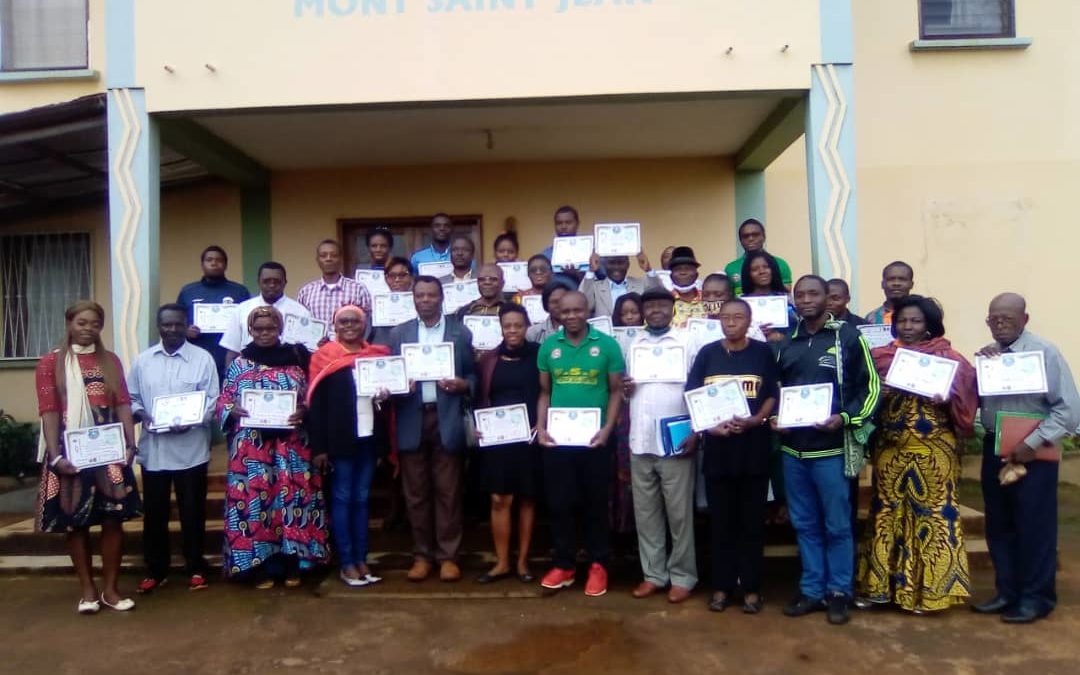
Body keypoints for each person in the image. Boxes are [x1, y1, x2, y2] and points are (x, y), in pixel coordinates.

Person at [856, 295, 977, 613]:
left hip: (935, 451)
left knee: (934, 515)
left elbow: (967, 403)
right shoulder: (880, 357)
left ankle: (931, 594)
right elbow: (864, 396)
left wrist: (948, 395)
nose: (908, 327)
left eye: (916, 321)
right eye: (903, 321)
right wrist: (877, 390)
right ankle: (880, 589)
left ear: (929, 325)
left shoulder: (948, 359)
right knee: (885, 514)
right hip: (891, 449)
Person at [773, 275, 880, 626]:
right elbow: (777, 390)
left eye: (813, 293)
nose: (805, 299)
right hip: (793, 451)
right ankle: (811, 589)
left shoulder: (847, 336)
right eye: (799, 294)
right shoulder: (787, 340)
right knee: (804, 524)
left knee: (837, 525)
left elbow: (872, 387)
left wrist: (846, 418)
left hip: (831, 450)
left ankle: (839, 592)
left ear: (828, 299)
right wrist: (777, 418)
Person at [971, 293, 1080, 624]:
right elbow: (979, 405)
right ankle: (1008, 592)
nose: (1000, 322)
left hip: (1035, 454)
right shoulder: (989, 356)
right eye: (994, 318)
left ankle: (1037, 597)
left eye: (1008, 317)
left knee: (1034, 527)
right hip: (996, 450)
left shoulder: (1045, 353)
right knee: (999, 526)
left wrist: (1032, 443)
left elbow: (1069, 410)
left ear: (1025, 319)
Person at [35, 300, 141, 615]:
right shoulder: (49, 362)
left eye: (95, 324)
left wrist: (130, 443)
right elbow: (49, 410)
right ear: (69, 323)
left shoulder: (110, 360)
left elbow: (122, 402)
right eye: (82, 323)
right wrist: (55, 457)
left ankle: (110, 589)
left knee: (113, 519)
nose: (88, 329)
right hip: (69, 451)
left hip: (107, 450)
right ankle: (88, 590)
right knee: (75, 524)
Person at [217, 306, 328, 588]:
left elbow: (314, 397)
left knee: (292, 502)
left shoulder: (297, 358)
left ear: (279, 329)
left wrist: (305, 411)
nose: (265, 333)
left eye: (270, 328)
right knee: (256, 506)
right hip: (252, 449)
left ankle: (294, 563)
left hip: (291, 447)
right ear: (250, 331)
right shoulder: (239, 364)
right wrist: (232, 409)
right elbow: (223, 400)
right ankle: (259, 565)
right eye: (258, 329)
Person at [687, 298, 779, 614]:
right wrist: (710, 428)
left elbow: (771, 396)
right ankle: (722, 587)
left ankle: (751, 588)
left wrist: (756, 420)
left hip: (753, 451)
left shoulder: (762, 352)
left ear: (749, 321)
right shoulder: (708, 354)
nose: (731, 322)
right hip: (718, 452)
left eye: (738, 316)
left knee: (751, 524)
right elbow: (693, 396)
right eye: (726, 317)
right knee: (721, 524)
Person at [536, 291, 625, 597]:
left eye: (578, 310)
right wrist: (542, 427)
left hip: (595, 440)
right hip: (559, 440)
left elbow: (615, 391)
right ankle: (564, 564)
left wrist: (608, 429)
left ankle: (599, 563)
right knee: (560, 503)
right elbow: (545, 393)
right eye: (566, 311)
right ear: (558, 313)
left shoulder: (607, 346)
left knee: (595, 503)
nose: (572, 316)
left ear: (587, 311)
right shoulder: (549, 347)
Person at [387, 276, 476, 583]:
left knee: (448, 491)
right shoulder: (400, 333)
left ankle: (448, 556)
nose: (425, 300)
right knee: (416, 494)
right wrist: (397, 385)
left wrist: (463, 385)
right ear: (413, 299)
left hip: (446, 416)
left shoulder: (459, 332)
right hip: (412, 418)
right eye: (420, 295)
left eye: (431, 295)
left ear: (441, 298)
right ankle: (422, 555)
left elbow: (473, 376)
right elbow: (388, 376)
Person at [127, 304, 219, 594]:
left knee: (193, 511)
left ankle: (195, 566)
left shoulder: (202, 359)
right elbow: (131, 397)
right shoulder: (143, 361)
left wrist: (194, 419)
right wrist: (143, 413)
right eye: (167, 325)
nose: (172, 329)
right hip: (155, 450)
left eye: (178, 324)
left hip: (191, 449)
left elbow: (213, 400)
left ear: (186, 325)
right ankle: (156, 569)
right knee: (155, 514)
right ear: (158, 326)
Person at [307, 305, 391, 588]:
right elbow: (315, 406)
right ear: (335, 325)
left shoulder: (378, 357)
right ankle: (346, 562)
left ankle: (361, 559)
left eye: (355, 320)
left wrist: (386, 393)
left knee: (361, 499)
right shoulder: (324, 357)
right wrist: (319, 447)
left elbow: (388, 403)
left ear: (364, 324)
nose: (350, 325)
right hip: (339, 442)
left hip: (368, 438)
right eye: (343, 321)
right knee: (343, 499)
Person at [624, 288, 699, 603]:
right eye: (650, 305)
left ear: (673, 309)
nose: (655, 310)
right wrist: (626, 388)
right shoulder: (634, 343)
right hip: (640, 441)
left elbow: (699, 388)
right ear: (643, 311)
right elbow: (630, 389)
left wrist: (696, 431)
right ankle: (654, 575)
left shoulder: (687, 341)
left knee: (680, 515)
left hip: (675, 440)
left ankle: (683, 576)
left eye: (661, 305)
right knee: (646, 514)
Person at [474, 304, 542, 584]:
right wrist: (478, 426)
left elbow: (548, 392)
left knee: (526, 498)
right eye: (507, 326)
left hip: (529, 436)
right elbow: (480, 397)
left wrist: (542, 422)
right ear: (500, 328)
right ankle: (502, 562)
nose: (512, 331)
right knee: (499, 499)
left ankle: (523, 561)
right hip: (497, 439)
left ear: (527, 327)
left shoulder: (540, 356)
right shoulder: (490, 359)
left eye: (518, 325)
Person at [176, 245, 251, 381]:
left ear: (225, 265)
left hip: (230, 355)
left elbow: (249, 323)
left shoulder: (239, 291)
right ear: (202, 264)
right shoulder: (188, 291)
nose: (214, 263)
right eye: (209, 260)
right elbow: (177, 320)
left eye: (218, 260)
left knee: (228, 395)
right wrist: (186, 331)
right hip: (197, 353)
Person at [219, 261, 317, 363]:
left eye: (277, 281)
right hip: (249, 374)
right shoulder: (242, 310)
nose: (272, 285)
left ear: (285, 282)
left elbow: (309, 352)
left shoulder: (301, 312)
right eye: (266, 281)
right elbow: (232, 351)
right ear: (258, 282)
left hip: (288, 373)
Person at [610, 291, 643, 540]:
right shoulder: (611, 343)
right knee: (621, 472)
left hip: (643, 409)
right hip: (621, 412)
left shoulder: (649, 340)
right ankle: (622, 528)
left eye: (634, 312)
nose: (630, 317)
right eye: (624, 313)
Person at [296, 239, 373, 328]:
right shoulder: (306, 292)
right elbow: (300, 324)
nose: (328, 259)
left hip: (348, 341)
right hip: (315, 342)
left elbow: (367, 323)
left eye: (334, 255)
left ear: (341, 259)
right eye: (323, 256)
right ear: (317, 260)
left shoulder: (358, 289)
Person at [724, 219, 794, 295]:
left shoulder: (780, 264)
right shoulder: (731, 268)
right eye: (745, 236)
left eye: (755, 235)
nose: (751, 239)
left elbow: (785, 296)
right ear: (741, 241)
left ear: (764, 237)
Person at [580, 252, 660, 319]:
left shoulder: (640, 284)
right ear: (604, 265)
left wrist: (648, 269)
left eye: (621, 263)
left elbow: (658, 295)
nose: (616, 267)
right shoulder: (595, 287)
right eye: (612, 263)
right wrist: (591, 270)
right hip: (605, 335)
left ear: (628, 264)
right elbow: (586, 305)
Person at [741, 250, 796, 342]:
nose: (762, 271)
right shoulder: (741, 303)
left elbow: (797, 328)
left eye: (766, 267)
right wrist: (754, 332)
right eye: (755, 269)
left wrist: (780, 336)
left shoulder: (787, 300)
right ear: (748, 274)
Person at [369, 256, 414, 346]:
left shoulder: (419, 301)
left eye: (402, 275)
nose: (397, 280)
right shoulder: (377, 304)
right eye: (392, 276)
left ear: (411, 277)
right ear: (386, 279)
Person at [540, 205, 587, 280]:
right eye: (559, 223)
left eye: (568, 222)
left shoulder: (588, 252)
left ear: (577, 224)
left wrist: (577, 275)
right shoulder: (545, 256)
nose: (563, 227)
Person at [667, 246, 709, 328]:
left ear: (696, 275)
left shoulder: (707, 299)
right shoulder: (665, 301)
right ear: (671, 276)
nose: (683, 272)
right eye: (678, 269)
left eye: (688, 268)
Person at [525, 280, 572, 344]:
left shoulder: (583, 330)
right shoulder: (533, 333)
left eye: (563, 300)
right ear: (546, 305)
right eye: (555, 302)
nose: (560, 305)